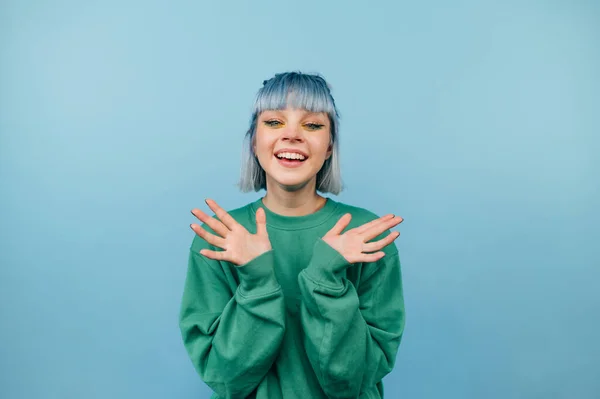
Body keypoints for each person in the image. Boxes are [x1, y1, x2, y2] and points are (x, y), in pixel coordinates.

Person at [179, 71, 405, 399]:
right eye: (274, 122)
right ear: (254, 141)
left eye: (312, 125)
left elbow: (353, 381)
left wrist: (327, 277)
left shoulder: (366, 236)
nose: (292, 136)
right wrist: (256, 281)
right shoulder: (221, 237)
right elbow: (225, 376)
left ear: (329, 147)